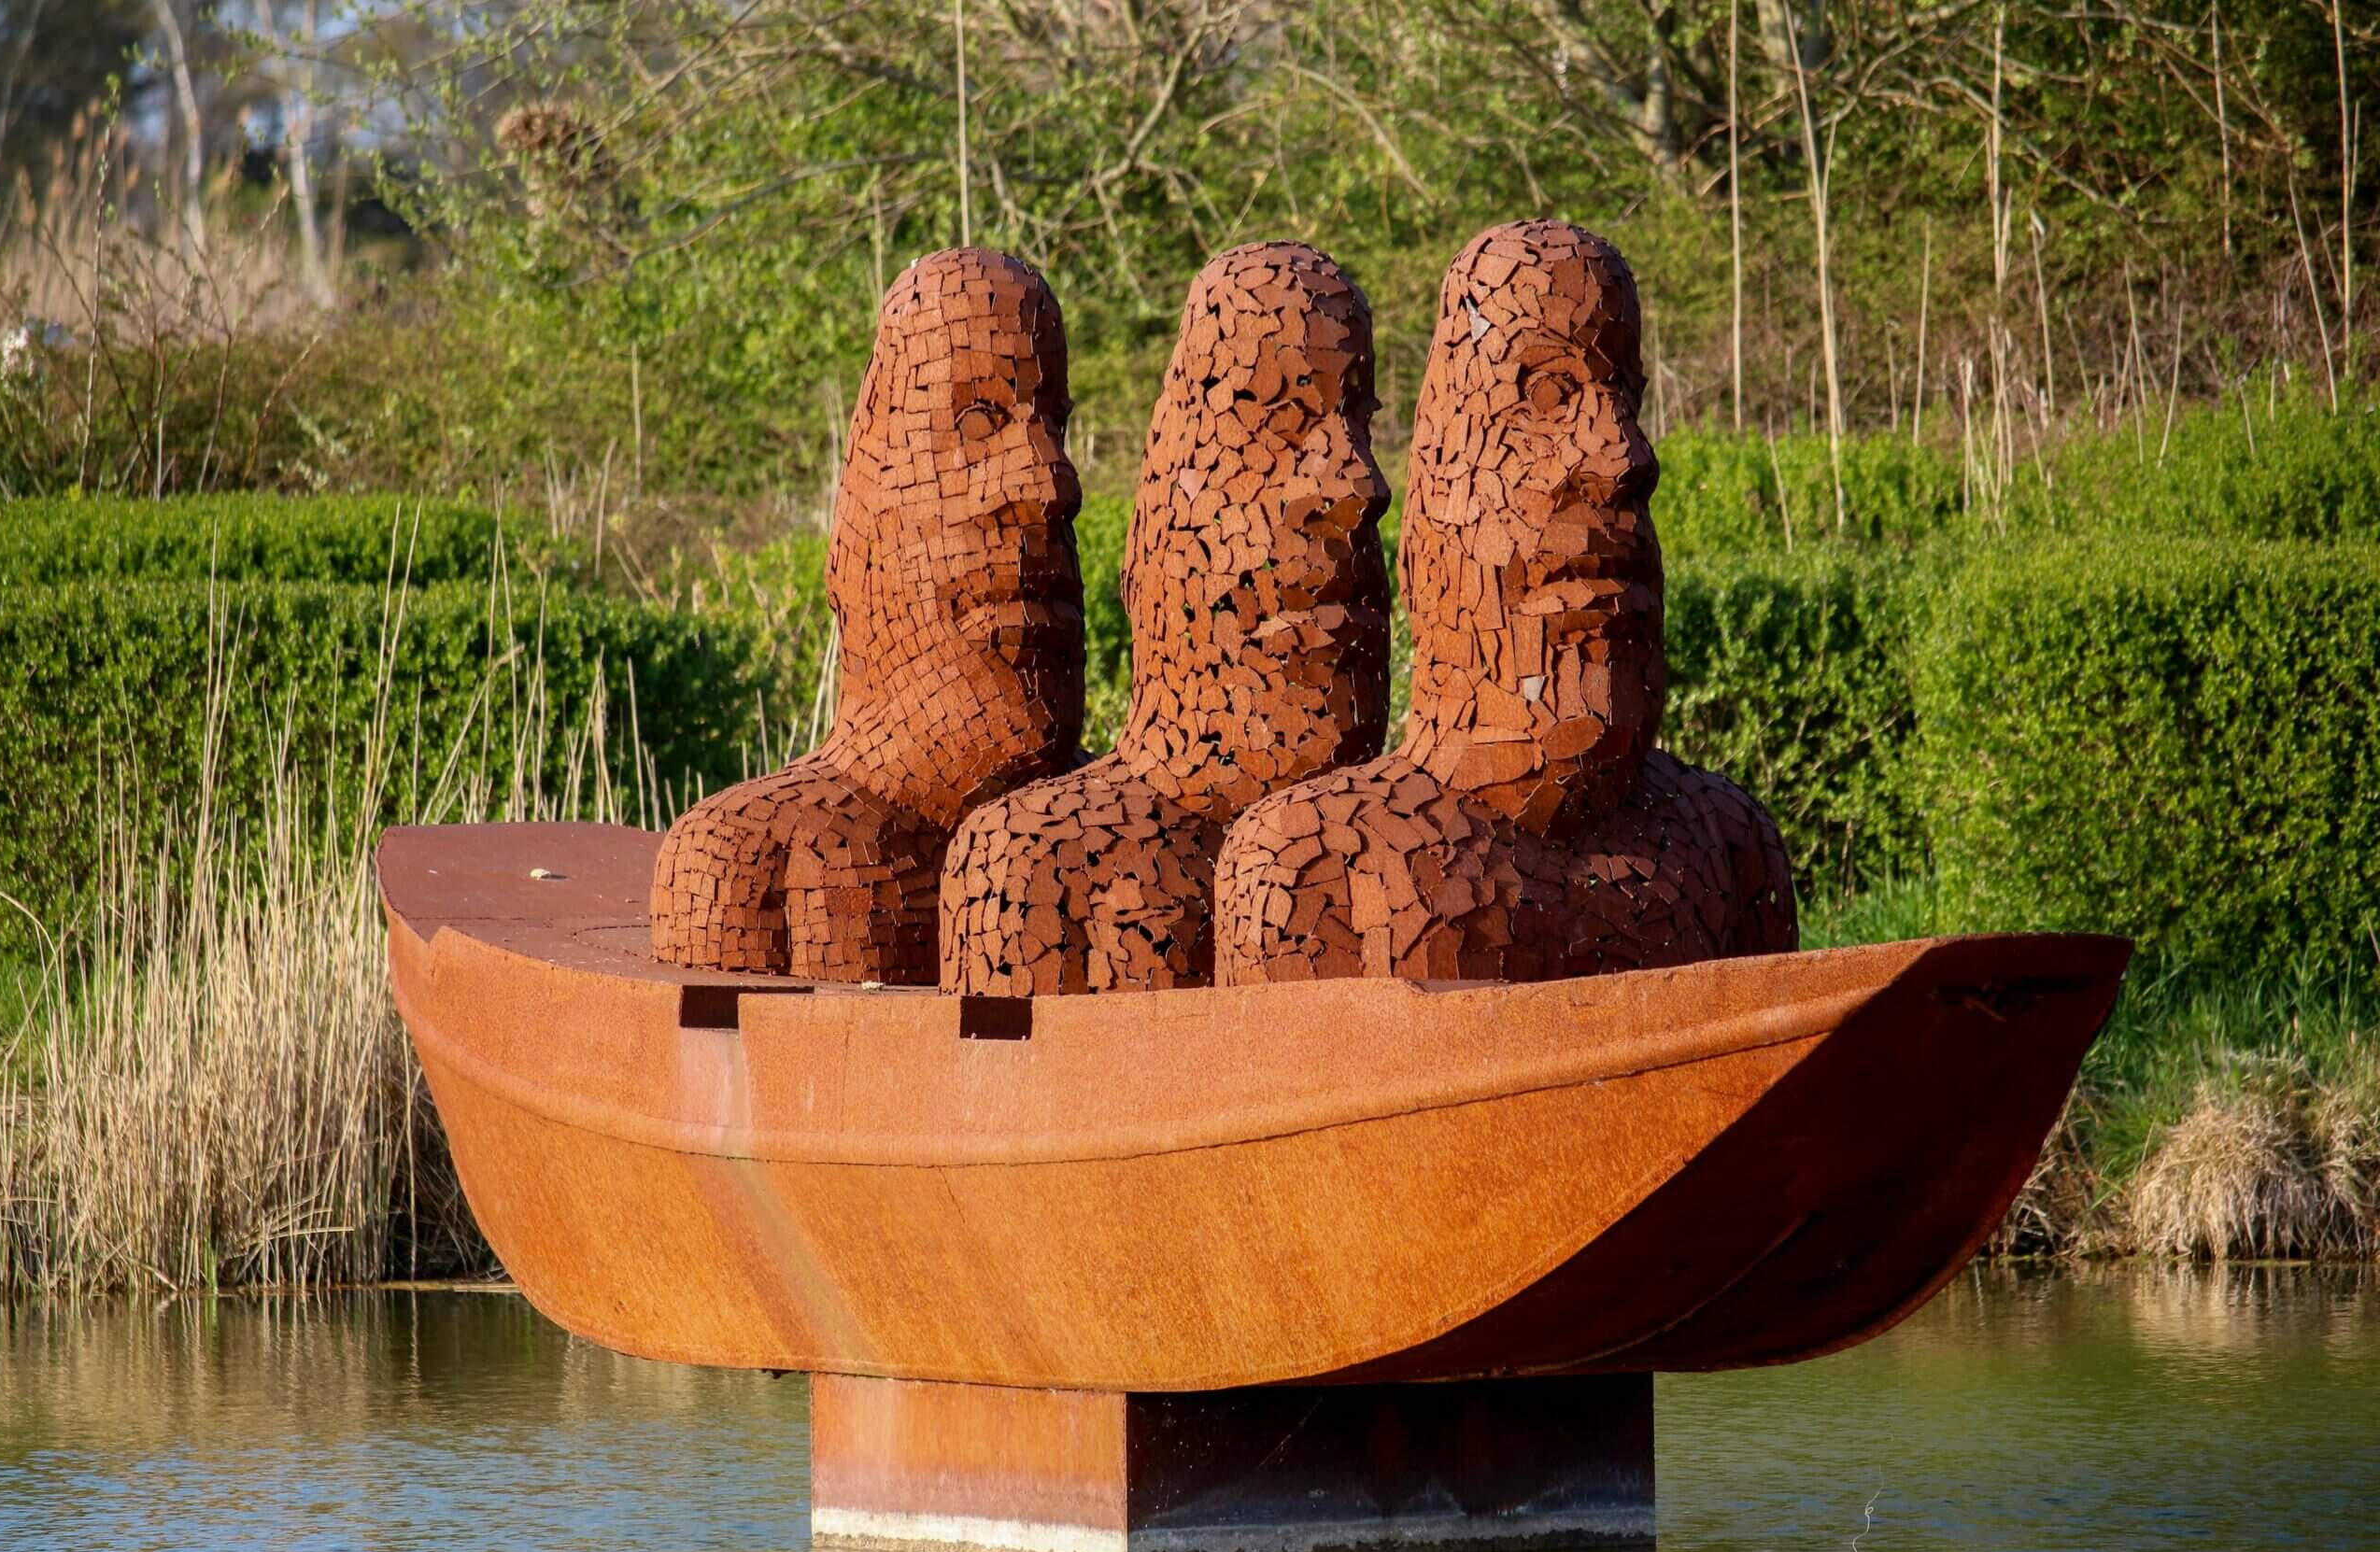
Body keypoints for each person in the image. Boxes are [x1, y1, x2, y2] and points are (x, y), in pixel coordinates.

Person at [1213, 220, 1796, 985]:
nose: (1626, 455)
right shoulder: (1312, 865)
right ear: (1440, 486)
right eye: (1546, 393)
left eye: (1626, 395)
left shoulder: (1727, 847)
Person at [940, 242, 1391, 995]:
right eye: (1280, 418)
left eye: (1358, 421)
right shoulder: (1034, 865)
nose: (1360, 483)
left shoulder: (1404, 860)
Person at [649, 247, 1086, 981]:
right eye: (979, 420)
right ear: (870, 491)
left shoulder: (1120, 851)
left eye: (1055, 427)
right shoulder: (752, 861)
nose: (1052, 483)